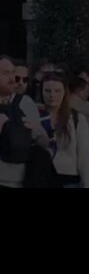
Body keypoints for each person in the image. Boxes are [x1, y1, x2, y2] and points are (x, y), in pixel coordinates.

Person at [39, 72, 89, 188]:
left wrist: (88, 184)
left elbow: (86, 156)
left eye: (57, 91)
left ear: (65, 92)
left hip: (68, 178)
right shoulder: (35, 115)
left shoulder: (76, 119)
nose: (52, 95)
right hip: (39, 176)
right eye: (48, 91)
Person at [0, 56, 49, 188]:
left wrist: (34, 131)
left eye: (25, 79)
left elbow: (43, 142)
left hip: (21, 178)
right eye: (7, 74)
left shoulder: (26, 103)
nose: (17, 82)